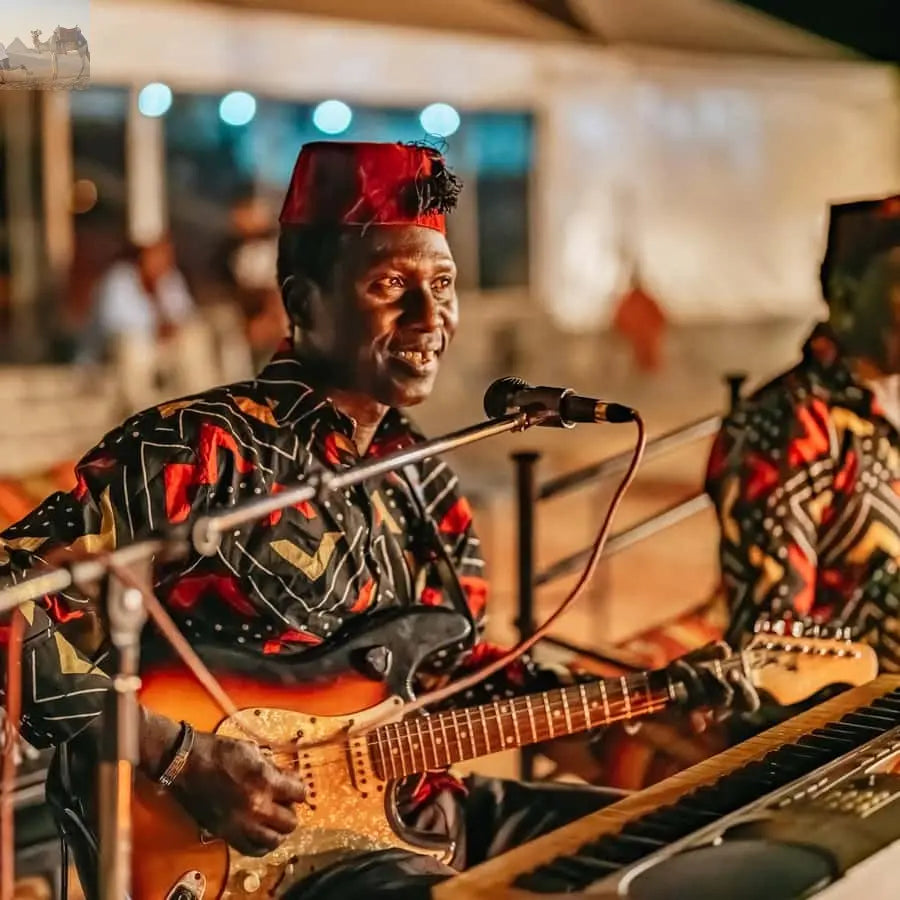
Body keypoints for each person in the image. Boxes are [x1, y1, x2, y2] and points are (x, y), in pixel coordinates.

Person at [0, 142, 756, 898]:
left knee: (685, 852)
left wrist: (647, 696)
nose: (431, 317)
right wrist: (179, 755)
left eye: (444, 284)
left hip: (427, 818)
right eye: (392, 284)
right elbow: (8, 598)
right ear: (303, 304)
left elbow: (453, 675)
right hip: (278, 863)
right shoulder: (203, 449)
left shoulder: (422, 477)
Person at [706, 193, 900, 669]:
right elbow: (774, 641)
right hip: (842, 721)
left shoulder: (885, 403)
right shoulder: (787, 426)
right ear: (846, 297)